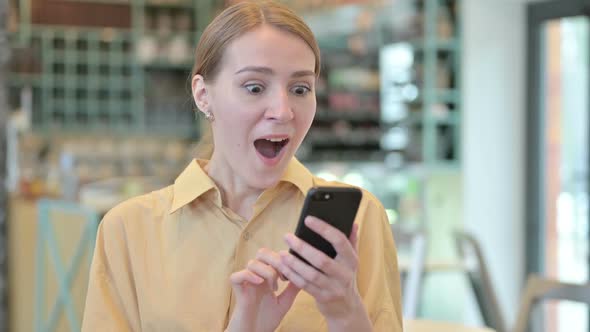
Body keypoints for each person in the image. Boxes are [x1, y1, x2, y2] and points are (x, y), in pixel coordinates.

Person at [81, 1, 402, 331]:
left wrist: (344, 312)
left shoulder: (359, 221)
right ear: (203, 95)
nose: (283, 110)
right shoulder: (127, 230)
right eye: (254, 87)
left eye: (300, 89)